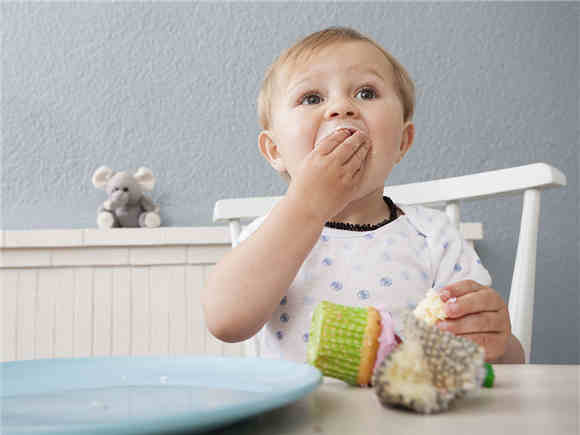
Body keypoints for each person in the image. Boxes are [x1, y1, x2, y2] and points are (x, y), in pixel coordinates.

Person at [202, 27, 525, 364]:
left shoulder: (434, 237)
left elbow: (506, 363)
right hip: (300, 416)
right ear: (274, 150)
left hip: (411, 414)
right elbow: (225, 320)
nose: (341, 108)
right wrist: (307, 205)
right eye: (312, 98)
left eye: (366, 93)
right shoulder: (272, 236)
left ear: (402, 141)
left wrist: (497, 343)